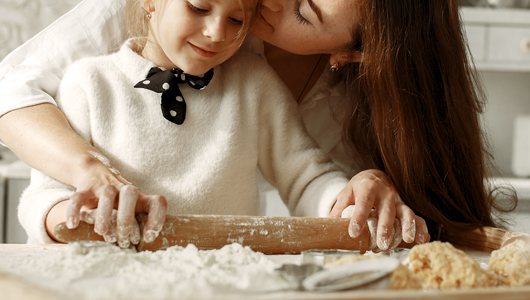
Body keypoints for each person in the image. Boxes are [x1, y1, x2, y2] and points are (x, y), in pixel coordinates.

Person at [0, 0, 509, 250]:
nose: (218, 30)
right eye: (201, 7)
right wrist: (79, 190)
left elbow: (311, 180)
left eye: (305, 12)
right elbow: (14, 97)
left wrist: (356, 191)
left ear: (352, 53)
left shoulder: (255, 83)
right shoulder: (91, 79)